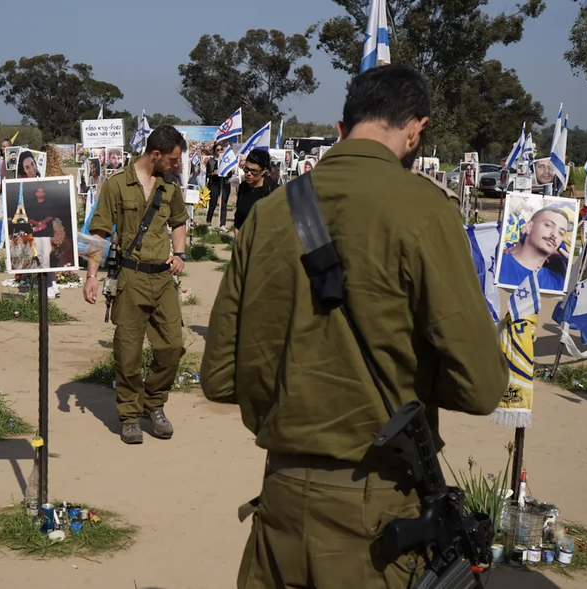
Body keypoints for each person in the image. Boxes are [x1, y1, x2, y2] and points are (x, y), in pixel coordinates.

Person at [200, 65, 507, 589]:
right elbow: (482, 388)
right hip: (380, 515)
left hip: (280, 497)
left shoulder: (270, 214)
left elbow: (220, 376)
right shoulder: (424, 211)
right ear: (416, 130)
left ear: (341, 129)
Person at [83, 125, 189, 445]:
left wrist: (180, 253)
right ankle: (130, 415)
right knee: (127, 354)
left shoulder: (170, 187)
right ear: (155, 155)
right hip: (130, 279)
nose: (177, 166)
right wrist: (91, 275)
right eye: (173, 160)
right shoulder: (117, 185)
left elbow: (179, 221)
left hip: (162, 278)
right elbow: (98, 233)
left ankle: (153, 405)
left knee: (172, 346)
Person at [498, 206, 570, 291]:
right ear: (529, 227)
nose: (555, 234)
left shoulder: (558, 283)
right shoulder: (495, 264)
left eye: (561, 233)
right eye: (548, 225)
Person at [233, 148, 277, 237]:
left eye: (254, 171)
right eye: (246, 169)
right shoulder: (243, 187)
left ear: (264, 171)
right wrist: (237, 231)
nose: (248, 174)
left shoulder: (273, 190)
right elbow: (239, 215)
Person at [206, 143, 229, 231]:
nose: (220, 151)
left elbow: (230, 174)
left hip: (224, 184)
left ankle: (222, 224)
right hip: (214, 184)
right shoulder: (210, 161)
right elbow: (208, 174)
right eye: (218, 150)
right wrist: (212, 174)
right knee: (213, 204)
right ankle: (209, 222)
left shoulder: (226, 160)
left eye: (221, 149)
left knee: (223, 205)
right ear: (214, 151)